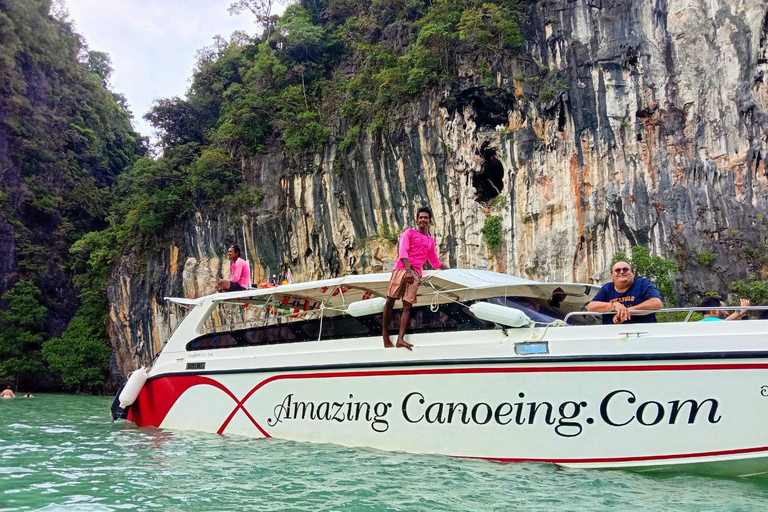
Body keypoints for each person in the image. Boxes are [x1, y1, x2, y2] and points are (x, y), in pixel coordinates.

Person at [383, 206, 449, 350]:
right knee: (391, 299)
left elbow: (434, 261)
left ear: (430, 221)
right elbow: (403, 251)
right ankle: (385, 334)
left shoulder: (430, 241)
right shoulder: (409, 233)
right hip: (402, 268)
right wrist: (407, 270)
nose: (423, 220)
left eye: (426, 218)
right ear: (417, 220)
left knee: (407, 305)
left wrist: (452, 272)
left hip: (416, 272)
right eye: (421, 218)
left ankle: (400, 339)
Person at [587, 261, 662, 324]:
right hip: (613, 334)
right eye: (617, 270)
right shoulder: (607, 288)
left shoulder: (643, 283)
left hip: (643, 333)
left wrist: (626, 312)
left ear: (632, 272)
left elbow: (656, 303)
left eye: (625, 269)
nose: (621, 272)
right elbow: (591, 307)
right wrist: (614, 305)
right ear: (612, 276)